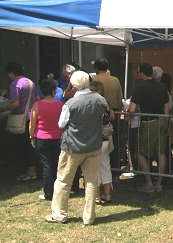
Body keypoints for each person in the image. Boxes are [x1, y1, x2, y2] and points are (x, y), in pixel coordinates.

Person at [45, 71, 107, 225]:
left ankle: (59, 214)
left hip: (72, 147)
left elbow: (61, 124)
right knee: (91, 182)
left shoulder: (70, 104)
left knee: (63, 181)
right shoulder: (100, 100)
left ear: (73, 85)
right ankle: (89, 217)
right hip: (93, 145)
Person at [127, 63, 170, 193]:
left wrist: (128, 112)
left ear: (142, 74)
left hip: (148, 122)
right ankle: (159, 183)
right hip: (162, 120)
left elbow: (132, 109)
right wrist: (166, 122)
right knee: (161, 152)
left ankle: (149, 183)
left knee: (140, 153)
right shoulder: (161, 86)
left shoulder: (140, 88)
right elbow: (167, 107)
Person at [2, 62, 39, 182]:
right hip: (31, 116)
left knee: (24, 146)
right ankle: (31, 171)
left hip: (21, 119)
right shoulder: (30, 82)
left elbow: (15, 103)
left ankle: (31, 172)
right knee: (30, 145)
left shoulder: (14, 84)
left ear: (11, 73)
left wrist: (2, 109)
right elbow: (38, 99)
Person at [29, 78, 64, 201]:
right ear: (54, 91)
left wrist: (31, 136)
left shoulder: (37, 105)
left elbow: (32, 124)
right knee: (56, 164)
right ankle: (58, 190)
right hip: (58, 137)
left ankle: (48, 192)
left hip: (42, 137)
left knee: (46, 166)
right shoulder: (60, 104)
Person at [92, 58, 124, 181]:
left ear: (96, 68)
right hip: (114, 113)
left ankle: (100, 171)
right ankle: (115, 171)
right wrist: (120, 113)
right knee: (113, 143)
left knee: (100, 144)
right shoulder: (115, 80)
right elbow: (120, 99)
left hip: (100, 115)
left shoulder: (94, 80)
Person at [89, 81, 115, 204]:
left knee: (95, 169)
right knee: (106, 167)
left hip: (95, 139)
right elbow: (112, 117)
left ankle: (97, 196)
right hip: (105, 138)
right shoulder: (105, 102)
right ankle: (108, 194)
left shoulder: (91, 103)